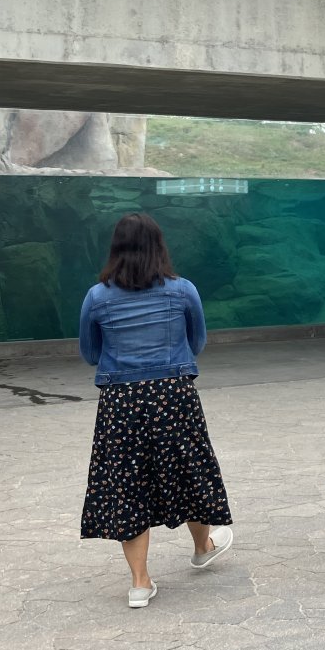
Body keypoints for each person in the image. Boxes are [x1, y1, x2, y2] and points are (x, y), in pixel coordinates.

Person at [78, 213, 233, 608]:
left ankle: (140, 583)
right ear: (159, 247)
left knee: (127, 485)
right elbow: (196, 341)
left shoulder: (97, 297)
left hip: (121, 402)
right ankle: (203, 546)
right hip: (172, 395)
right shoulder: (183, 291)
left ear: (115, 248)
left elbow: (90, 353)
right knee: (187, 471)